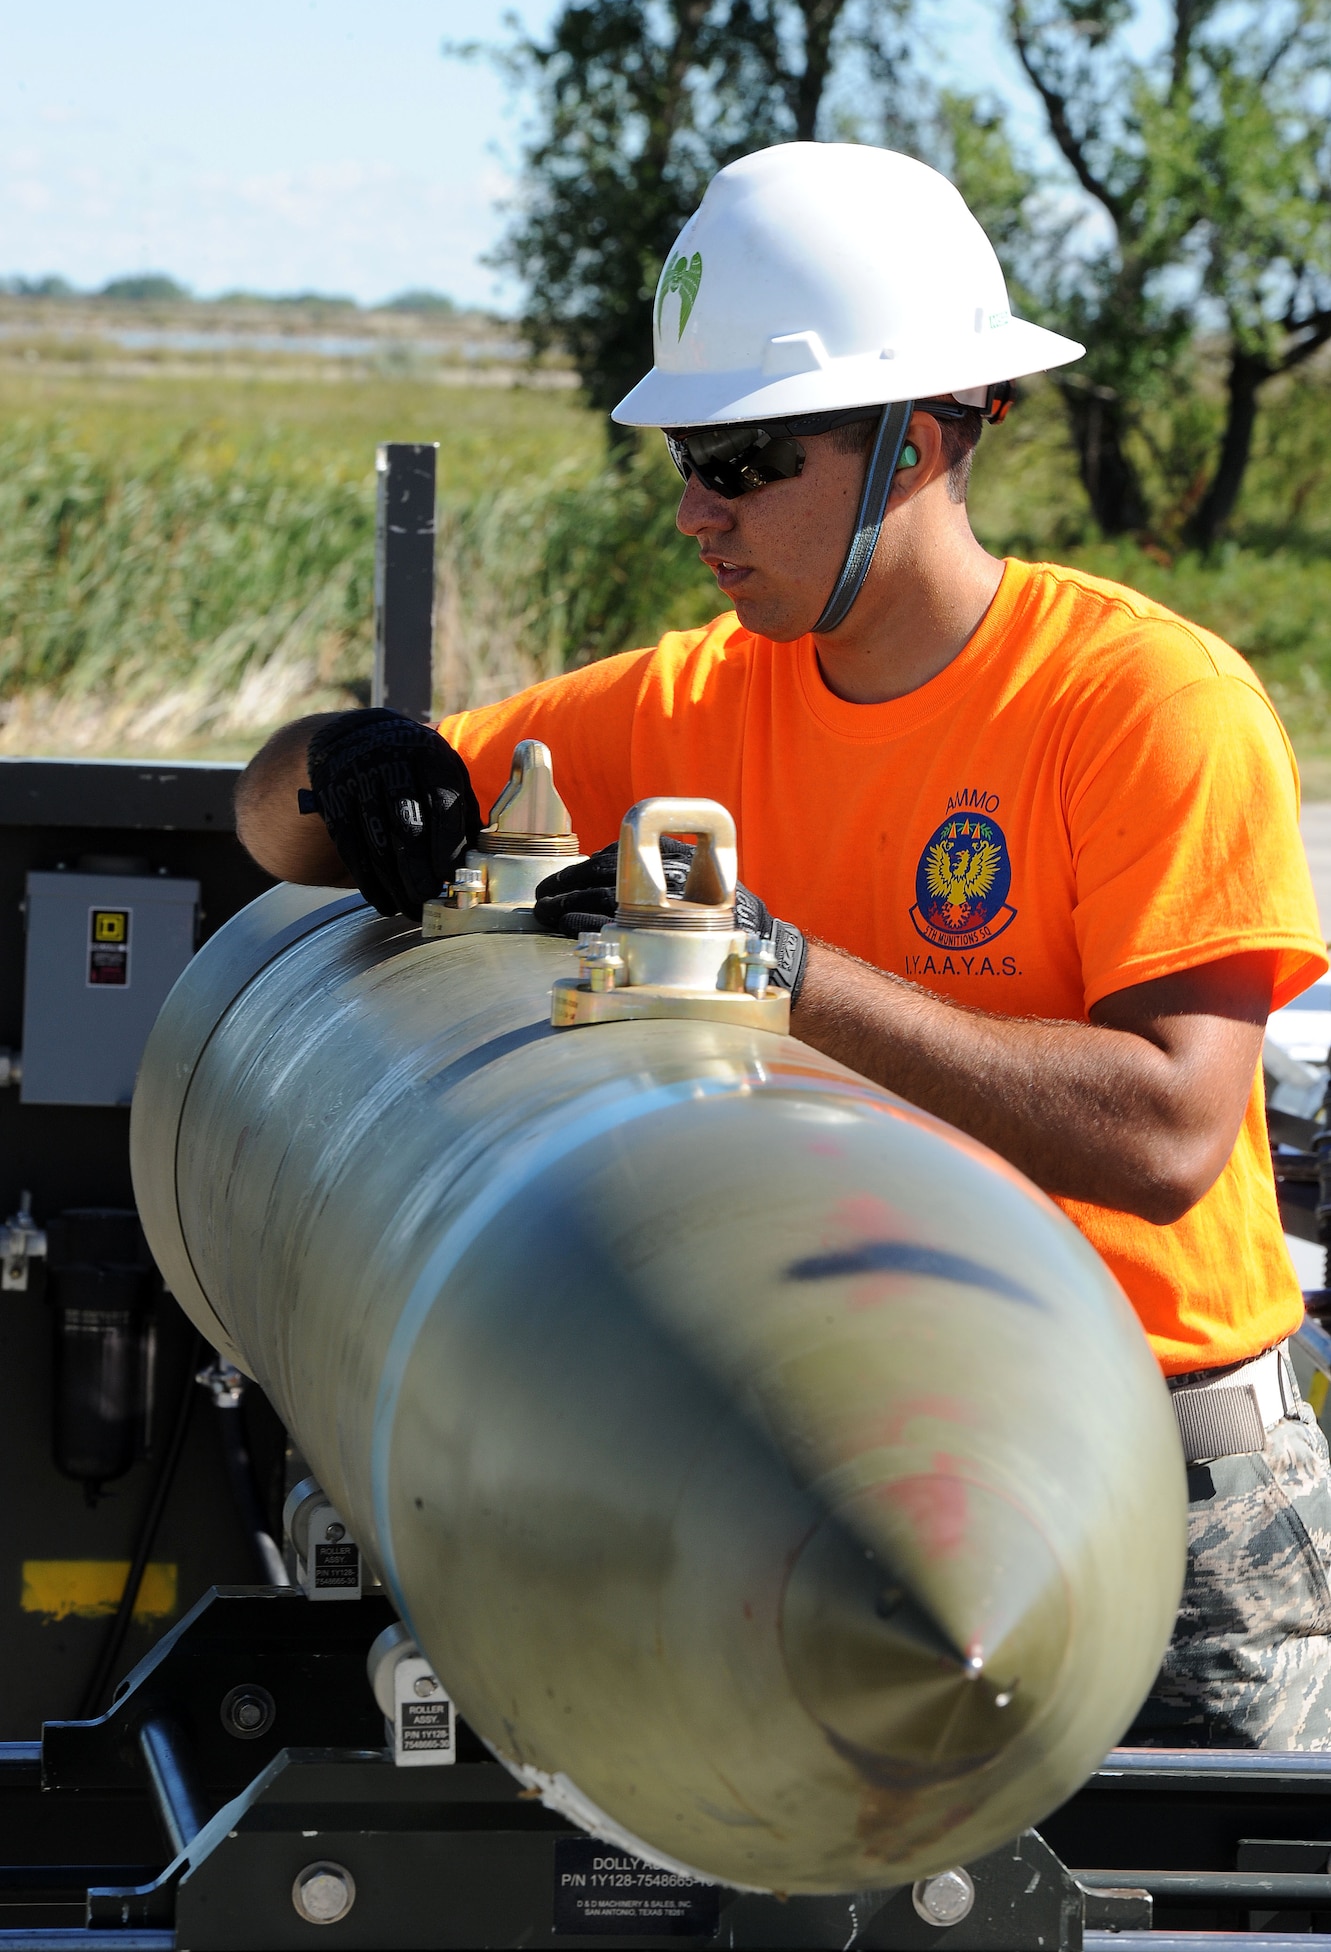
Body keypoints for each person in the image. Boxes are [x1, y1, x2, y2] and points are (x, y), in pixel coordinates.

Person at [237, 141, 1331, 1748]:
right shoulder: (686, 706)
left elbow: (1170, 1132)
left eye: (743, 459)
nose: (695, 511)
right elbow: (271, 825)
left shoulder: (1145, 706)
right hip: (810, 1434)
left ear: (921, 437)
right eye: (687, 455)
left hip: (1151, 1449)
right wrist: (345, 759)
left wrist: (768, 969)